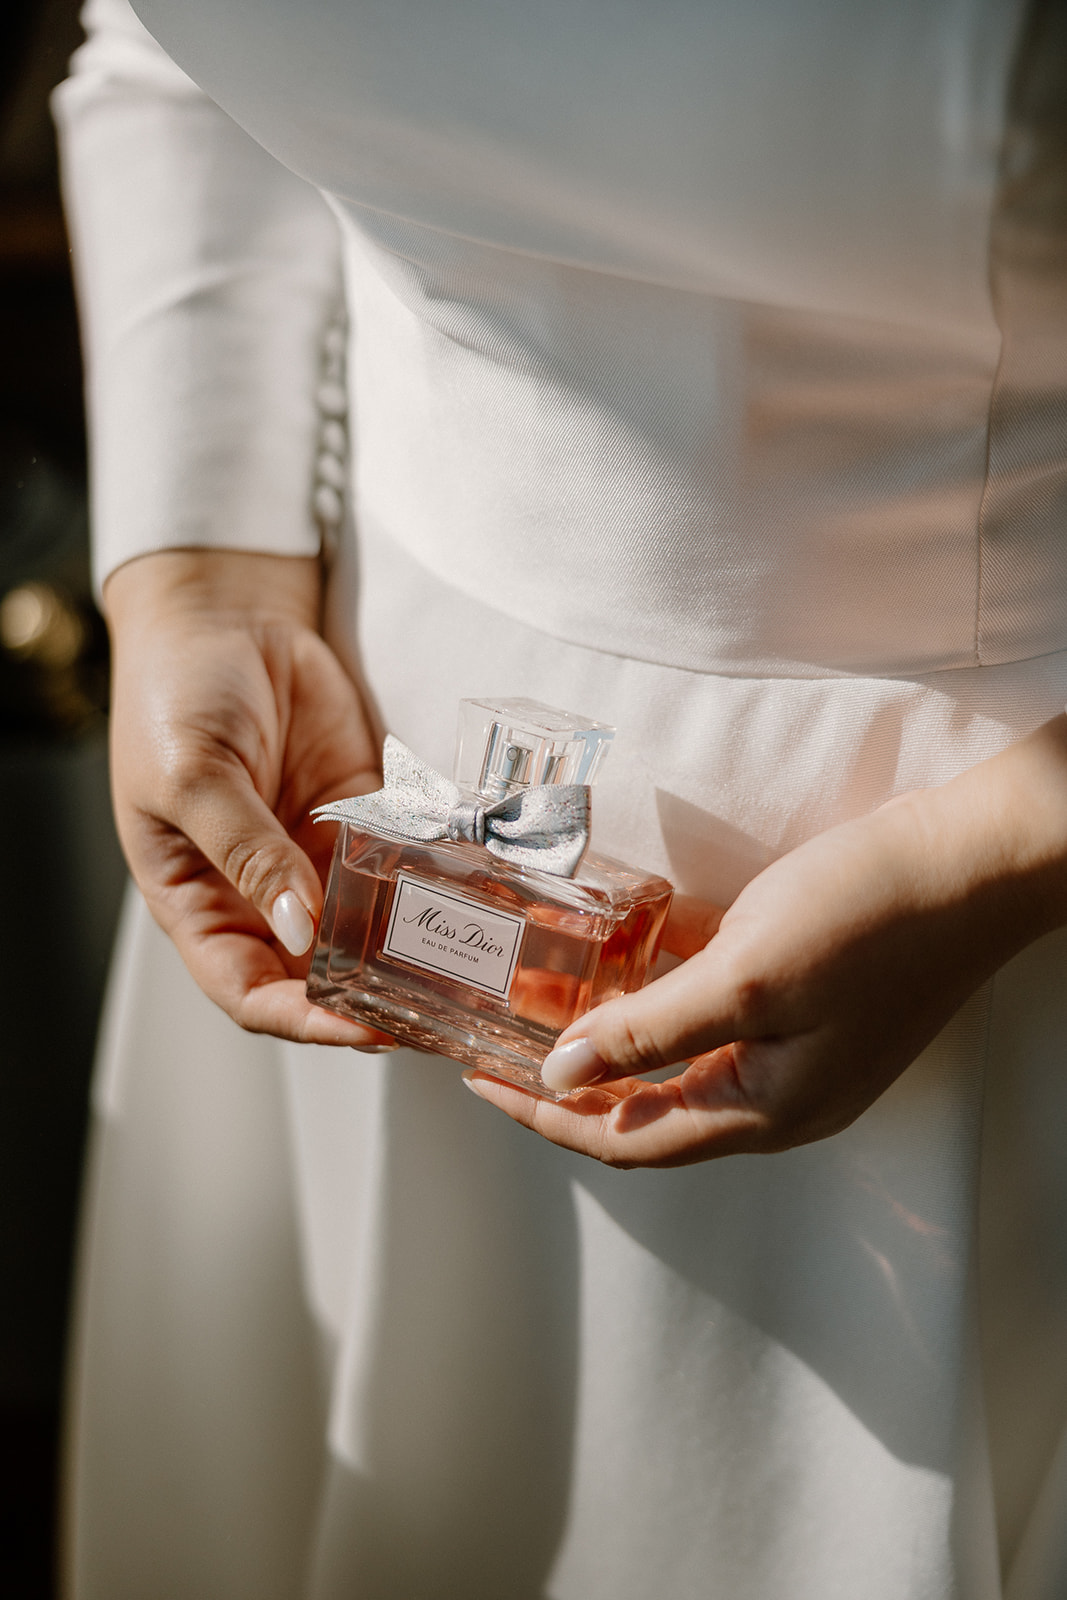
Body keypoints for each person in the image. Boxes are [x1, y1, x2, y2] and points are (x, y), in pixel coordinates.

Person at [55, 0, 1067, 1594]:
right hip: (338, 759)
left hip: (966, 892)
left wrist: (1015, 843)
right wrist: (197, 560)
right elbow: (164, 47)